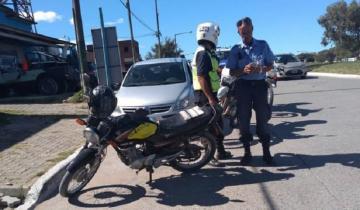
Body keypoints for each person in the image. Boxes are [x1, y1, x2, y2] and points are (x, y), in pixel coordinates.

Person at [226, 17, 275, 165]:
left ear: (252, 28)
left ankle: (266, 152)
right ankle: (247, 153)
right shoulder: (235, 49)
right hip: (243, 87)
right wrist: (243, 70)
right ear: (238, 32)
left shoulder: (262, 45)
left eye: (247, 30)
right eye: (242, 32)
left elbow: (270, 64)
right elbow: (231, 72)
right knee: (243, 120)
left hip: (260, 85)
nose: (245, 34)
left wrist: (261, 69)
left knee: (262, 118)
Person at [191, 22, 232, 165]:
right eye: (216, 35)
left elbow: (212, 70)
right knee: (209, 127)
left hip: (212, 94)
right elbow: (201, 77)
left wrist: (225, 73)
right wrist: (210, 98)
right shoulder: (202, 53)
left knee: (218, 124)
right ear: (212, 35)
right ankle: (210, 156)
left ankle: (221, 151)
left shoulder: (208, 51)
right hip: (204, 96)